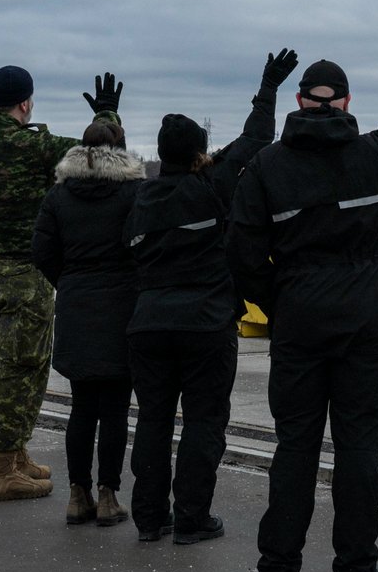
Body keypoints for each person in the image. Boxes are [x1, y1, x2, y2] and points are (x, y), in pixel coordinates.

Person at [226, 0, 378, 572]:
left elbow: (242, 255)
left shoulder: (266, 169)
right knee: (359, 449)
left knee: (295, 445)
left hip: (300, 322)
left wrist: (283, 299)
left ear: (302, 101)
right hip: (367, 322)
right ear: (346, 103)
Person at [123, 48, 298, 545]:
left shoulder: (139, 200)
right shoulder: (214, 186)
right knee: (203, 422)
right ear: (200, 152)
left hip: (148, 325)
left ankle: (149, 519)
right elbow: (256, 138)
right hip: (206, 323)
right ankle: (192, 519)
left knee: (153, 421)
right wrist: (268, 87)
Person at [0, 66, 123, 502]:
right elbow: (100, 155)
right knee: (22, 372)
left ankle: (15, 455)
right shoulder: (33, 146)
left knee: (1, 369)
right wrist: (108, 115)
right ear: (26, 103)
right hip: (24, 274)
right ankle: (2, 470)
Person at [31, 121, 145, 526]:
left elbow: (41, 249)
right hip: (122, 307)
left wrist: (67, 280)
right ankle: (108, 495)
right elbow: (144, 244)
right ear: (121, 150)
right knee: (115, 409)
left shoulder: (60, 194)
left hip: (77, 305)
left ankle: (77, 495)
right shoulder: (133, 192)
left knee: (81, 407)